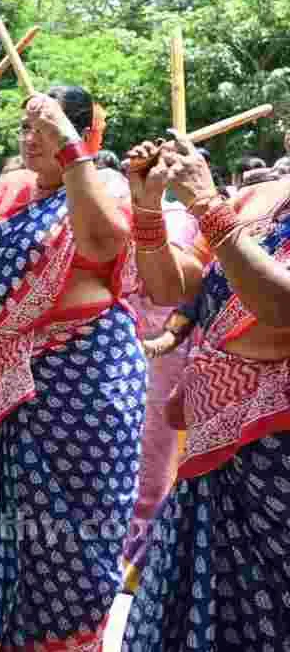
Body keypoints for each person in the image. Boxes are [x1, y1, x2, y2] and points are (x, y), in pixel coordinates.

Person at [0, 87, 145, 651]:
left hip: (82, 382)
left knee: (70, 541)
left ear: (85, 133)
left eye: (47, 125)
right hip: (5, 381)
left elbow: (104, 242)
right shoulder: (15, 187)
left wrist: (69, 150)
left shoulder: (103, 186)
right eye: (27, 126)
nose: (31, 136)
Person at [119, 140, 290, 650]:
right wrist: (147, 207)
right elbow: (172, 289)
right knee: (201, 592)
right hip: (217, 435)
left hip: (277, 451)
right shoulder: (256, 201)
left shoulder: (224, 207)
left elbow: (281, 310)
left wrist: (204, 204)